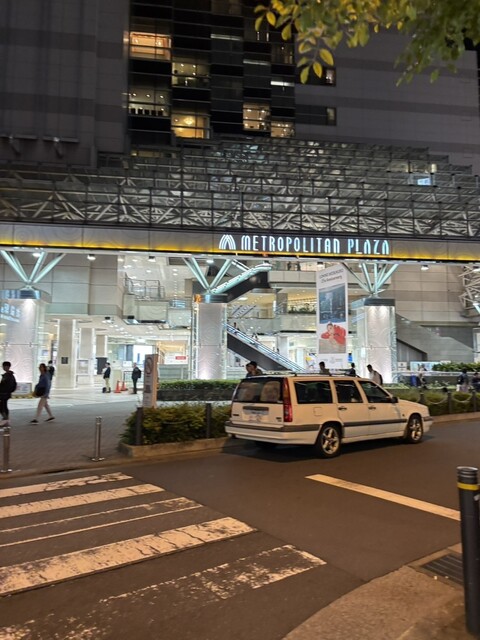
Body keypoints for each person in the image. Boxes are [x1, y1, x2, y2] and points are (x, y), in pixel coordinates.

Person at [0, 361, 16, 427]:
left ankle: (5, 419)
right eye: (3, 366)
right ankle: (6, 419)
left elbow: (6, 386)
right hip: (4, 393)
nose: (3, 367)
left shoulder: (8, 376)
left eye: (4, 366)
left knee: (3, 406)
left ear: (8, 367)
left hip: (4, 394)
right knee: (3, 406)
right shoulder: (7, 375)